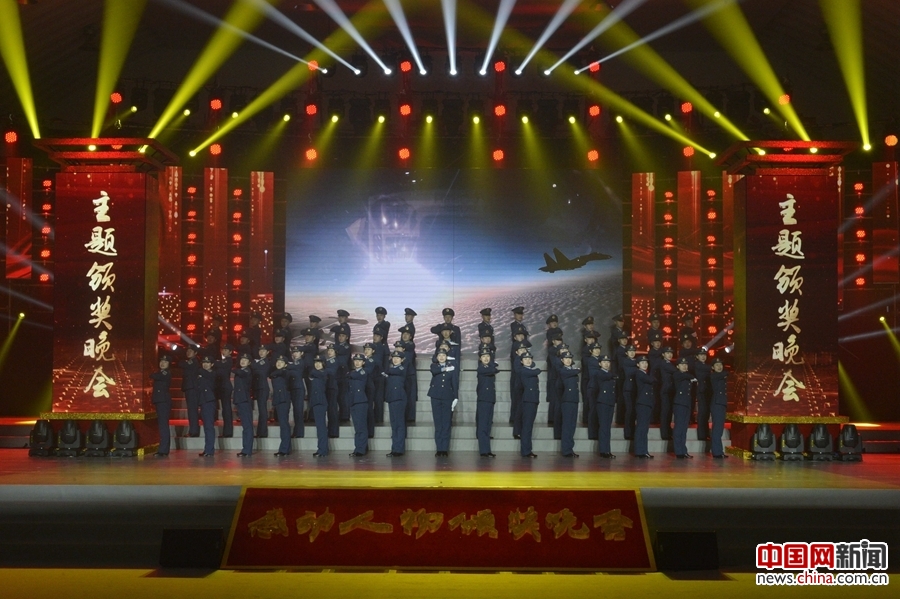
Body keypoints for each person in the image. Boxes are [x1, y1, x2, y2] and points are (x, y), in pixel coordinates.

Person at [428, 349, 456, 457]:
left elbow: (454, 383)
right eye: (439, 355)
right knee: (438, 424)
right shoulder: (434, 366)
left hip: (447, 397)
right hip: (435, 396)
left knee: (446, 423)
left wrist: (456, 397)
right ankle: (439, 448)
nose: (441, 357)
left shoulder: (452, 367)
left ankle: (445, 449)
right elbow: (435, 371)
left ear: (446, 357)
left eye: (443, 355)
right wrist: (445, 369)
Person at [475, 349, 499, 457]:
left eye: (488, 356)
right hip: (484, 399)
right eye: (483, 356)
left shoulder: (489, 368)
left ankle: (487, 450)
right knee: (483, 426)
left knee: (488, 425)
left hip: (490, 399)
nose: (486, 358)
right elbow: (493, 370)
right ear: (480, 358)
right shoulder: (481, 368)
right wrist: (493, 364)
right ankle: (483, 450)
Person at [385, 350, 408, 457]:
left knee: (399, 424)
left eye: (398, 358)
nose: (395, 359)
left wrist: (386, 371)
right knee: (394, 425)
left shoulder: (401, 368)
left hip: (399, 399)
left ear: (402, 360)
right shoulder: (392, 369)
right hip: (392, 398)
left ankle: (399, 449)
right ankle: (394, 448)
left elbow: (389, 371)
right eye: (394, 357)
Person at [594, 353, 617, 458]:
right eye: (604, 362)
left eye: (608, 362)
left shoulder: (610, 374)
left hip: (610, 402)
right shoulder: (600, 373)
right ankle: (603, 450)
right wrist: (613, 375)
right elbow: (606, 376)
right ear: (600, 363)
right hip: (602, 402)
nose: (607, 364)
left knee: (607, 427)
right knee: (604, 427)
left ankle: (607, 450)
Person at [672, 357, 696, 459]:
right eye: (682, 365)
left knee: (684, 428)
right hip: (680, 403)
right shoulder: (677, 374)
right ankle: (679, 451)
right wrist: (692, 377)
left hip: (686, 403)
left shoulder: (686, 376)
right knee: (679, 428)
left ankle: (683, 450)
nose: (684, 366)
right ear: (677, 366)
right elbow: (687, 376)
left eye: (686, 364)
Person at [518, 351, 541, 458]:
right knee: (527, 427)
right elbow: (537, 371)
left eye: (529, 359)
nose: (528, 360)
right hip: (528, 401)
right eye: (525, 359)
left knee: (529, 426)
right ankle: (526, 451)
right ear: (521, 361)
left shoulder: (530, 370)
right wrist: (536, 369)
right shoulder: (523, 370)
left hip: (533, 400)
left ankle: (527, 449)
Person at [232, 352, 255, 457]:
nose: (243, 361)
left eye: (245, 360)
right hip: (240, 400)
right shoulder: (240, 370)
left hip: (244, 400)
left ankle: (247, 450)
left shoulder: (247, 370)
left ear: (249, 362)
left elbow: (239, 372)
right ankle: (245, 449)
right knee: (245, 426)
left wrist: (231, 368)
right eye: (242, 359)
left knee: (247, 426)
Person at [558, 351, 581, 458]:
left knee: (572, 426)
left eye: (569, 358)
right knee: (567, 426)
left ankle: (570, 448)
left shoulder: (572, 370)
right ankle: (566, 450)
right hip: (567, 400)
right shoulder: (563, 370)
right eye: (566, 358)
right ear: (562, 360)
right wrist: (577, 369)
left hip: (574, 399)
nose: (568, 360)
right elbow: (571, 372)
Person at [633, 355, 655, 459]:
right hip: (642, 403)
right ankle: (639, 451)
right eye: (642, 363)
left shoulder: (645, 374)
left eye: (646, 362)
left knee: (644, 428)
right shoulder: (639, 373)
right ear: (638, 364)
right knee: (641, 428)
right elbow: (651, 380)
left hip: (647, 403)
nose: (645, 364)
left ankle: (644, 450)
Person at [270, 355, 292, 457]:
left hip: (283, 400)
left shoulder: (285, 372)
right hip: (278, 400)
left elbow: (277, 373)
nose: (278, 363)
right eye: (278, 361)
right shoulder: (277, 372)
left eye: (281, 362)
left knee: (284, 424)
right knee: (282, 424)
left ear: (286, 365)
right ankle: (286, 448)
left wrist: (276, 372)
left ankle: (284, 449)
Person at [150, 355, 172, 457]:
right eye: (161, 361)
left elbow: (155, 376)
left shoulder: (166, 373)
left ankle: (163, 450)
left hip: (163, 401)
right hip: (160, 401)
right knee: (162, 425)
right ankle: (163, 449)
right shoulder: (160, 373)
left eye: (165, 362)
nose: (162, 363)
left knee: (163, 426)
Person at [348, 354, 369, 457]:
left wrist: (348, 374)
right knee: (357, 427)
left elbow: (354, 375)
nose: (357, 362)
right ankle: (358, 448)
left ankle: (361, 449)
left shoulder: (363, 372)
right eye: (355, 360)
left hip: (361, 401)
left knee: (361, 427)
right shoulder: (352, 373)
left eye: (359, 360)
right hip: (353, 401)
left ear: (363, 362)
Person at [178, 344, 201, 437]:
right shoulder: (190, 361)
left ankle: (194, 431)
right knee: (191, 410)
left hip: (192, 388)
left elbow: (181, 364)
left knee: (192, 410)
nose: (188, 352)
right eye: (187, 351)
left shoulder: (193, 362)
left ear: (195, 353)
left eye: (190, 351)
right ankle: (193, 430)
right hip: (190, 388)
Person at [308, 356, 329, 457]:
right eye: (316, 362)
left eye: (319, 362)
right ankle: (321, 448)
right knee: (319, 427)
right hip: (316, 402)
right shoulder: (316, 374)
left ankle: (323, 450)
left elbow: (313, 373)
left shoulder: (323, 373)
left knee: (321, 427)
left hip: (320, 402)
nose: (317, 364)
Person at [197, 355, 217, 457]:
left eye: (208, 363)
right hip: (203, 401)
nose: (205, 364)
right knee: (206, 427)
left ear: (212, 364)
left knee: (209, 427)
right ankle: (207, 449)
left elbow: (203, 373)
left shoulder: (212, 373)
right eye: (204, 362)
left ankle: (209, 450)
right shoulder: (201, 374)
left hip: (209, 402)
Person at [709, 357, 729, 459]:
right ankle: (716, 452)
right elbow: (725, 373)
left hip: (721, 403)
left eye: (720, 364)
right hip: (717, 404)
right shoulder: (714, 375)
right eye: (717, 365)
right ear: (712, 367)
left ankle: (719, 451)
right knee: (717, 429)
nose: (719, 367)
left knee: (719, 429)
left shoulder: (721, 376)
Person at [213, 343, 234, 438]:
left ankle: (228, 431)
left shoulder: (228, 360)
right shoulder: (222, 361)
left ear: (230, 352)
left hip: (225, 387)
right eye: (223, 349)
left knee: (226, 409)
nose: (223, 351)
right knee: (224, 410)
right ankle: (226, 431)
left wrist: (214, 363)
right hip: (219, 386)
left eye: (226, 350)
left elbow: (218, 365)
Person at [250, 344, 272, 437]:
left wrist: (254, 364)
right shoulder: (257, 361)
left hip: (262, 388)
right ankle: (260, 431)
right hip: (257, 387)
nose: (261, 352)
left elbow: (254, 367)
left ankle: (262, 432)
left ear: (267, 352)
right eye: (260, 350)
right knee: (260, 410)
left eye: (263, 351)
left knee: (262, 410)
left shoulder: (266, 362)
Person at [398, 325, 418, 423]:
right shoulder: (400, 346)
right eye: (403, 334)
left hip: (409, 375)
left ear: (411, 337)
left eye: (407, 334)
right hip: (401, 375)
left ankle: (410, 417)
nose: (405, 335)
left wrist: (399, 346)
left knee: (410, 396)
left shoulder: (410, 345)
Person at [657, 346, 677, 440]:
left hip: (670, 390)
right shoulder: (664, 363)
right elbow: (675, 371)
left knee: (669, 412)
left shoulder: (670, 363)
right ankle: (665, 433)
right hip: (666, 390)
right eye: (667, 353)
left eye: (671, 353)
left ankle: (668, 431)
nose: (670, 355)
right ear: (663, 354)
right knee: (665, 412)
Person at [287, 346, 306, 438]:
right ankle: (296, 431)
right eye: (294, 352)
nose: (295, 354)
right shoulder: (293, 362)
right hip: (292, 388)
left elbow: (292, 367)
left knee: (298, 411)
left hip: (298, 389)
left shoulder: (300, 362)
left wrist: (286, 365)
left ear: (301, 353)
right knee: (295, 411)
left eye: (297, 352)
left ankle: (299, 432)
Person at [694, 348, 712, 441]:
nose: (703, 357)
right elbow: (708, 369)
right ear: (697, 356)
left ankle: (705, 433)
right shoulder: (698, 365)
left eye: (704, 355)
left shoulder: (706, 365)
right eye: (701, 355)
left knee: (706, 413)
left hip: (707, 390)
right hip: (702, 391)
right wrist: (714, 367)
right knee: (702, 412)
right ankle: (702, 434)